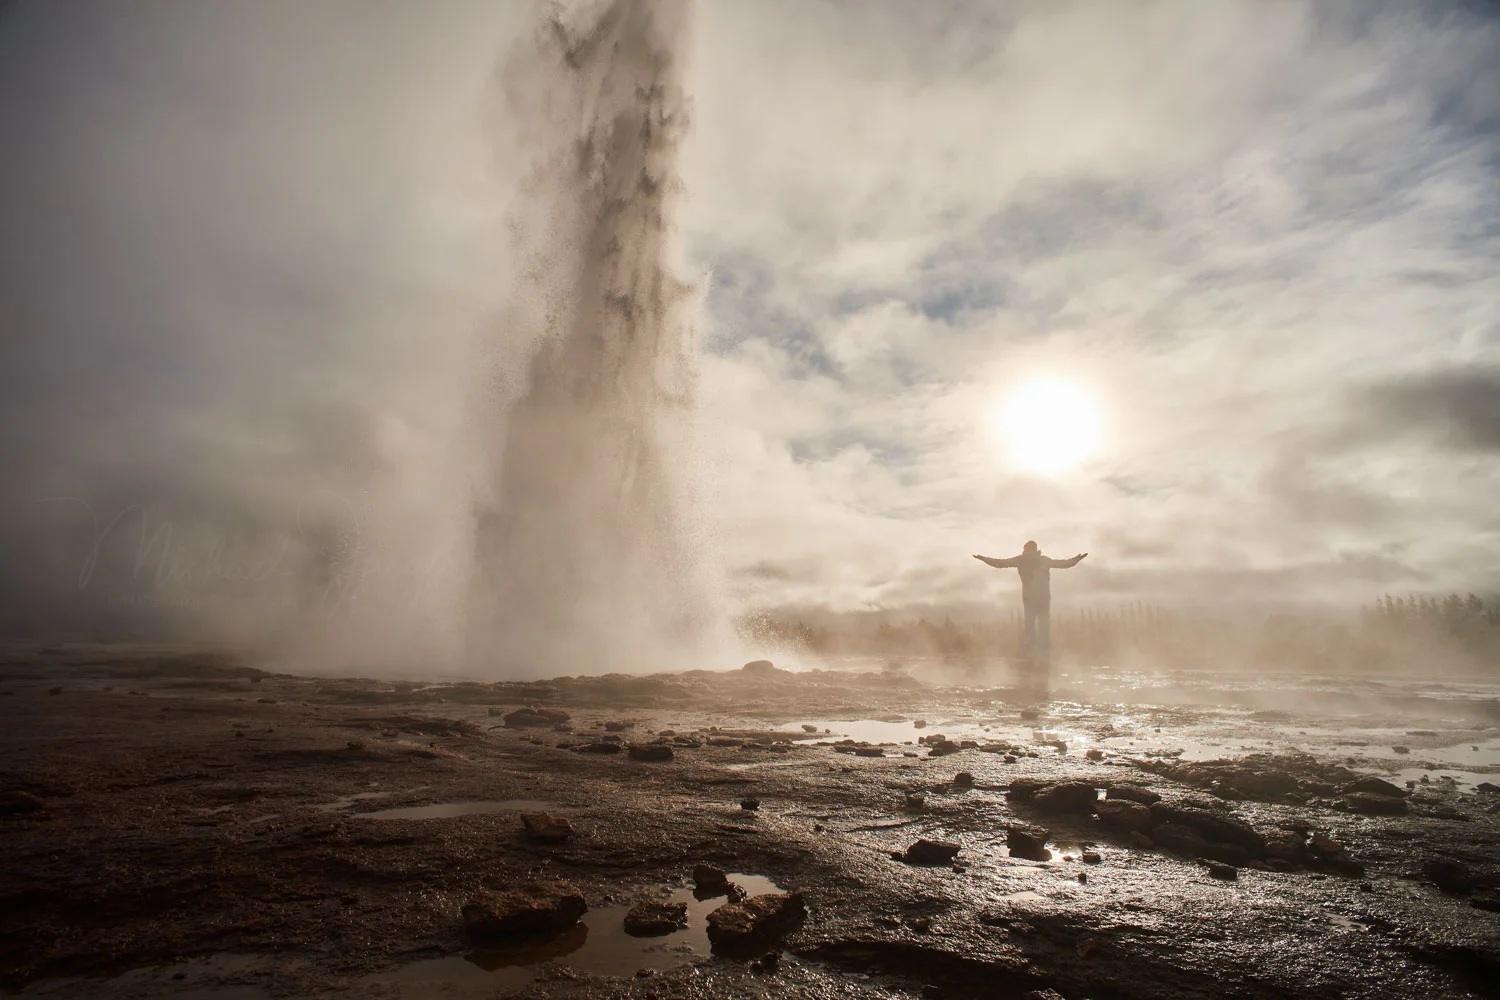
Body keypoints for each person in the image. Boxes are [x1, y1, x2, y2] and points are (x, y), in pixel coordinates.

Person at [972, 541, 1086, 659]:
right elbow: (1064, 564)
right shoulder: (1043, 560)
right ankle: (1044, 654)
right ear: (1036, 549)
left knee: (1030, 625)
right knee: (1043, 625)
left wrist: (983, 558)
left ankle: (1031, 653)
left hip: (1029, 598)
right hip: (1043, 597)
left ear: (1025, 549)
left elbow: (999, 563)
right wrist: (1076, 559)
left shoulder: (1020, 560)